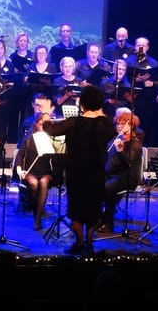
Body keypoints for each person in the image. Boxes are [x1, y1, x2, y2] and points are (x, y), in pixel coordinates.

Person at [42, 85, 116, 254]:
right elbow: (108, 127)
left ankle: (80, 242)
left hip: (76, 172)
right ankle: (89, 242)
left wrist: (46, 112)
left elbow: (50, 129)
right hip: (96, 172)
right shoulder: (105, 124)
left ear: (81, 103)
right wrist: (98, 110)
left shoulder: (74, 122)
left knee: (76, 208)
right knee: (93, 208)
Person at [98, 110, 143, 233]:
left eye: (123, 124)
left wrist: (120, 150)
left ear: (131, 126)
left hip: (128, 177)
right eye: (118, 124)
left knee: (108, 187)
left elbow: (128, 161)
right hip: (114, 174)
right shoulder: (115, 138)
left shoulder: (135, 144)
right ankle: (98, 216)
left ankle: (108, 221)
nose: (119, 126)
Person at [15, 112, 55, 231]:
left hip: (45, 171)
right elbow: (20, 156)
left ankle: (37, 219)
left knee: (43, 182)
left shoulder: (52, 138)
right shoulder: (29, 138)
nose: (44, 127)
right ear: (36, 124)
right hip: (31, 170)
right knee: (33, 183)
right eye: (41, 124)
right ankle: (36, 209)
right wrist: (19, 170)